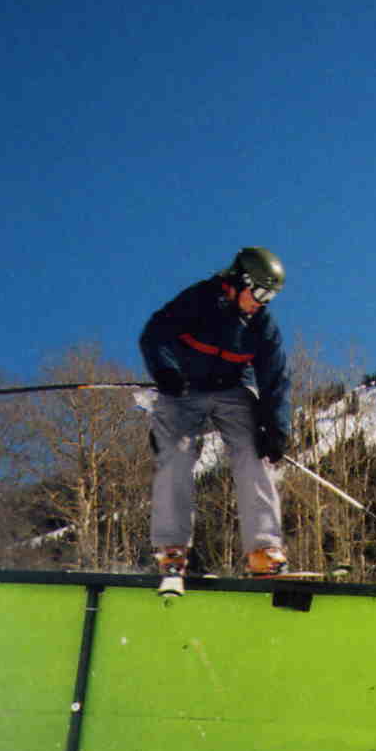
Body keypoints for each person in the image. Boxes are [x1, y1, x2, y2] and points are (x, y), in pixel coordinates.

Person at [140, 246, 292, 577]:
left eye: (271, 296)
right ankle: (172, 549)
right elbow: (155, 335)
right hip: (183, 388)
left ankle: (264, 549)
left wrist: (277, 427)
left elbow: (275, 377)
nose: (262, 302)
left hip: (232, 389)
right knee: (177, 453)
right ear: (239, 281)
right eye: (261, 291)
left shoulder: (262, 325)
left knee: (255, 452)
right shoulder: (199, 300)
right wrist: (166, 372)